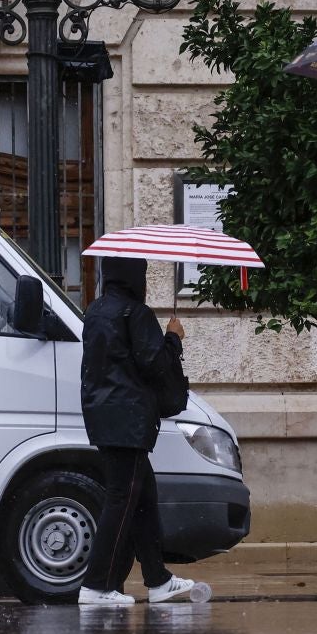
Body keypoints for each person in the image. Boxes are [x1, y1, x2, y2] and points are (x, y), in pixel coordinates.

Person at [77, 256, 212, 607]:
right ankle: (96, 586)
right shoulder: (136, 314)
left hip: (102, 417)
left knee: (143, 498)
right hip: (129, 420)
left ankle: (158, 579)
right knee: (122, 501)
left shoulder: (94, 313)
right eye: (144, 274)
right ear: (135, 278)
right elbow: (155, 365)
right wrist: (173, 338)